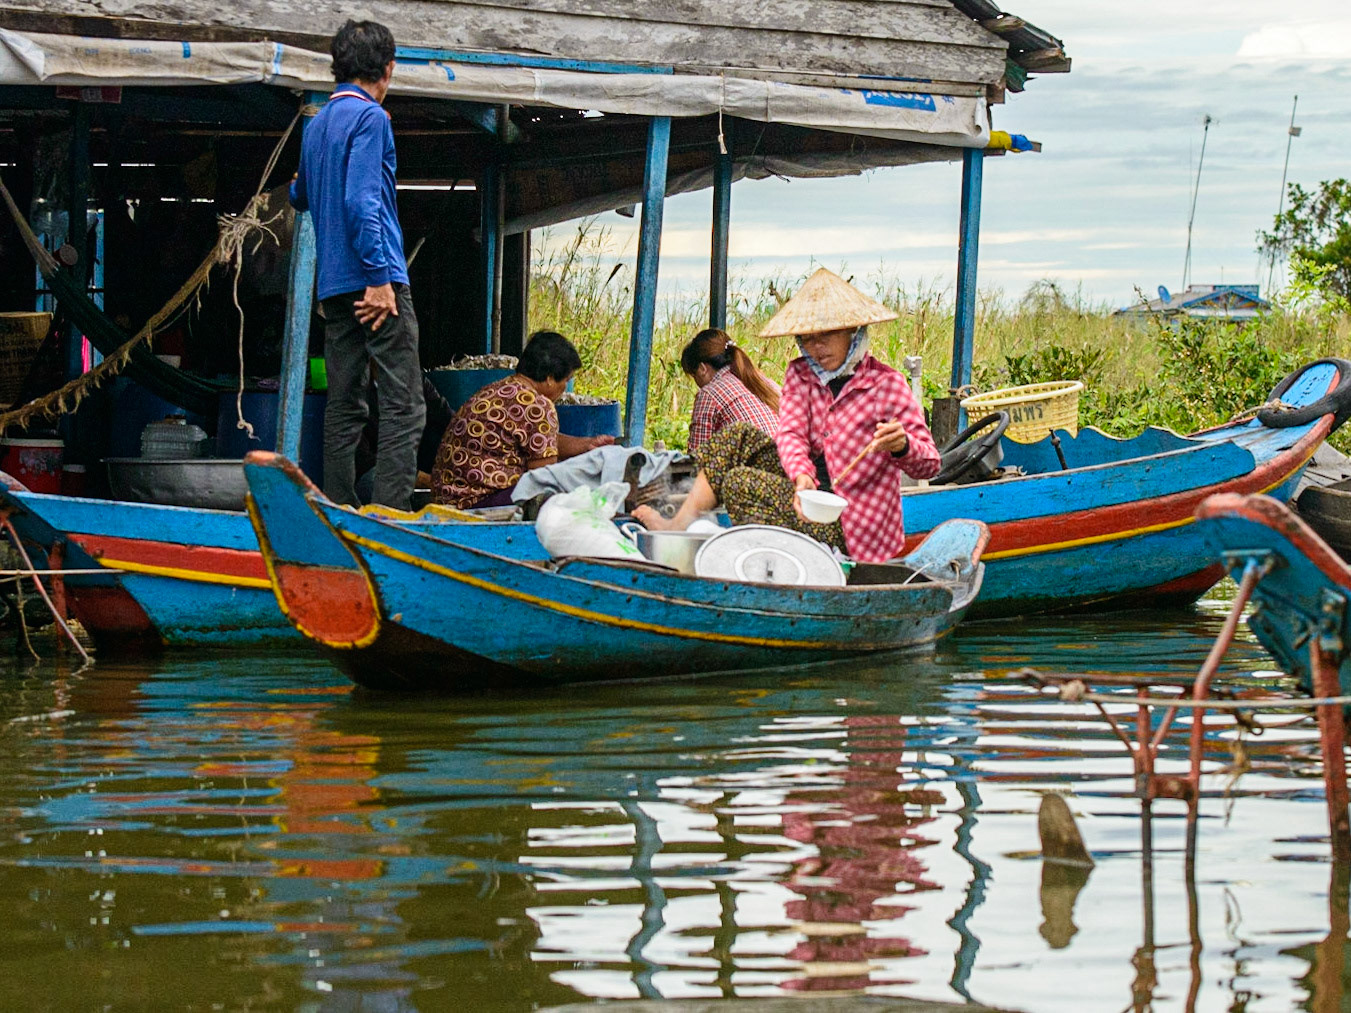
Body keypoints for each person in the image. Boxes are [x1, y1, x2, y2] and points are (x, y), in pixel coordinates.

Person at [635, 268, 940, 563]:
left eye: (827, 335)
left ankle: (769, 562)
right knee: (736, 436)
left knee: (741, 482)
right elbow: (791, 435)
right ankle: (677, 528)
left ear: (853, 331)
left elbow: (930, 463)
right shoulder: (800, 375)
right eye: (807, 338)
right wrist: (801, 474)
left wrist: (902, 445)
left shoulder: (887, 385)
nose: (816, 347)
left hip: (848, 520)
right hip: (808, 492)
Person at [291, 19, 425, 511]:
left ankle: (340, 509)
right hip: (374, 279)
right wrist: (380, 280)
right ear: (388, 70)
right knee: (404, 405)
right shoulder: (372, 120)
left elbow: (299, 195)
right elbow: (362, 201)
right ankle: (388, 518)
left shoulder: (319, 122)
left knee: (344, 405)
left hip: (334, 288)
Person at [431, 331, 614, 509]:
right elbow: (542, 480)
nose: (565, 388)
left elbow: (538, 441)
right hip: (477, 503)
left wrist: (587, 445)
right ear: (550, 378)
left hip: (446, 499)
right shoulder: (538, 406)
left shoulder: (497, 389)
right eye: (566, 380)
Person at [681, 328, 780, 452]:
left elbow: (697, 458)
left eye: (693, 375)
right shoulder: (766, 383)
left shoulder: (709, 394)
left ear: (702, 369)